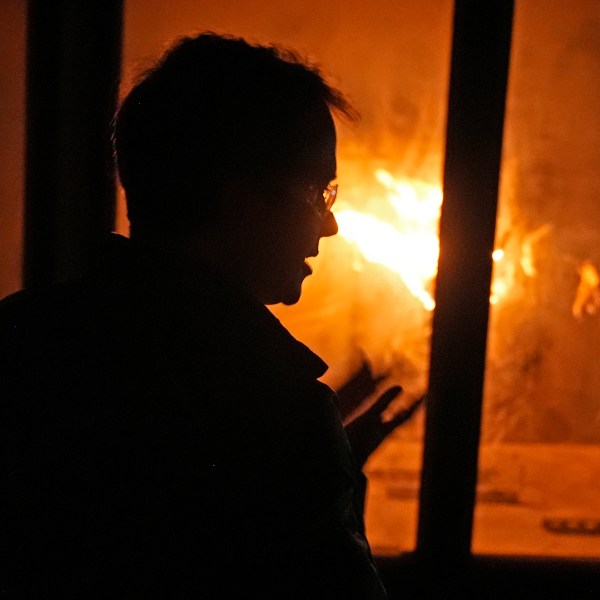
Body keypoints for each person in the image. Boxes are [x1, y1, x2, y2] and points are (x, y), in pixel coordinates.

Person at [0, 31, 422, 598]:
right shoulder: (277, 411)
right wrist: (325, 476)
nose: (330, 225)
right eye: (319, 194)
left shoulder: (21, 338)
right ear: (242, 198)